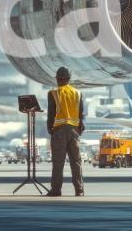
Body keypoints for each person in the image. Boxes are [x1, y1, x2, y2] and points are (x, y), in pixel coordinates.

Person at [46, 67, 85, 197]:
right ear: (69, 79)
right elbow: (81, 114)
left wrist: (50, 129)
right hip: (74, 130)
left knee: (58, 162)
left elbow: (51, 114)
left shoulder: (53, 93)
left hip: (59, 130)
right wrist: (78, 129)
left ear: (58, 79)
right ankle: (79, 190)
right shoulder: (77, 93)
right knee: (76, 161)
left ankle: (56, 190)